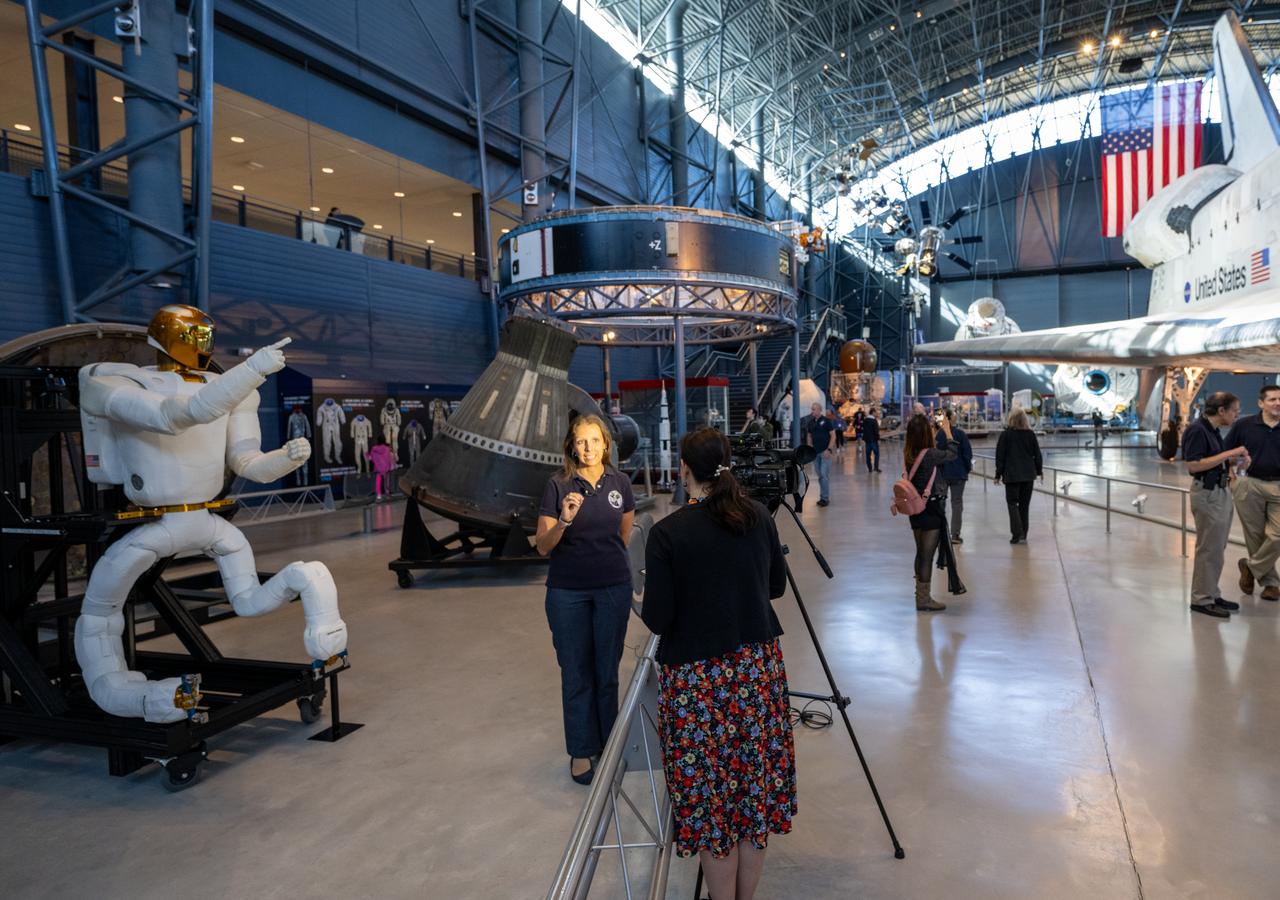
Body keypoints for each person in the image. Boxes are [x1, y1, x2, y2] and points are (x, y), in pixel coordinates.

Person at [642, 427, 795, 899]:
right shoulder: (758, 517)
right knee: (751, 800)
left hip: (696, 684)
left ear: (683, 468)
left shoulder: (668, 533)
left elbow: (657, 618)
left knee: (713, 808)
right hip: (755, 671)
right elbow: (774, 588)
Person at [535, 415, 636, 785]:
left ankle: (609, 745)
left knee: (606, 672)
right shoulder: (558, 485)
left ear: (606, 444)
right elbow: (543, 546)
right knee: (576, 673)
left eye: (594, 440)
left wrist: (603, 565)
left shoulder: (620, 483)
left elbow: (622, 534)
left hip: (612, 588)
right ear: (571, 446)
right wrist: (563, 521)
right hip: (567, 593)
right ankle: (581, 750)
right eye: (581, 441)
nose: (588, 448)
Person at [1182, 392, 1248, 618]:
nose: (1236, 415)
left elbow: (1212, 459)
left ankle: (1211, 592)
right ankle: (1201, 599)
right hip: (1207, 494)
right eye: (1234, 411)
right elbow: (1193, 465)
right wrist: (1230, 452)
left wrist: (1233, 460)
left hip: (1219, 491)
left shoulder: (1212, 431)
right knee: (1209, 548)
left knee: (1217, 548)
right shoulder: (1197, 430)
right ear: (1221, 410)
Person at [1225, 384, 1280, 601]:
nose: (1277, 403)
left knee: (1277, 535)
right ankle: (1271, 584)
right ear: (1261, 403)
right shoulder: (1244, 425)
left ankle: (1250, 567)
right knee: (1255, 536)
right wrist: (1230, 473)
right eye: (1272, 399)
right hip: (1249, 484)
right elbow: (1225, 450)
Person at [902, 413, 960, 612]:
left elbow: (927, 454)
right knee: (927, 555)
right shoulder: (930, 455)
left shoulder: (909, 453)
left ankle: (921, 594)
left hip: (914, 508)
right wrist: (948, 431)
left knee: (920, 552)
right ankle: (923, 599)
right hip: (931, 508)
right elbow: (952, 453)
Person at [995, 407, 1043, 544]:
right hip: (1028, 475)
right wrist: (1039, 471)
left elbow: (1000, 456)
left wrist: (998, 474)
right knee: (1024, 505)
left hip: (1012, 475)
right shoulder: (1030, 434)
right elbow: (1037, 455)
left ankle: (1016, 533)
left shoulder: (1005, 435)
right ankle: (1024, 534)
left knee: (1012, 504)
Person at [936, 408, 973, 544]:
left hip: (942, 473)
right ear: (950, 418)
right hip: (958, 473)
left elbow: (935, 454)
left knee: (940, 503)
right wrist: (966, 469)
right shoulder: (960, 434)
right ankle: (955, 535)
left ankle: (939, 533)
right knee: (957, 503)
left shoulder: (938, 435)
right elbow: (967, 454)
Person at [804, 401, 836, 507]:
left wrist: (829, 449)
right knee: (820, 475)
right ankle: (823, 496)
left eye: (814, 409)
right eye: (812, 409)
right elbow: (809, 436)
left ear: (819, 410)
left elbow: (833, 436)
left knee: (823, 475)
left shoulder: (826, 421)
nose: (812, 411)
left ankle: (825, 498)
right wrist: (810, 448)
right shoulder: (811, 422)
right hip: (815, 453)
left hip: (825, 452)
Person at [863, 406, 881, 473]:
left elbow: (864, 430)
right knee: (877, 454)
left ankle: (870, 468)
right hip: (874, 440)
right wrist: (878, 439)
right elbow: (876, 431)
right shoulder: (874, 420)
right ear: (873, 412)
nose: (876, 414)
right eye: (875, 412)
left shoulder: (865, 420)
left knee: (868, 455)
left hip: (867, 440)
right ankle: (876, 468)